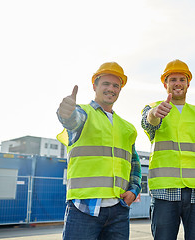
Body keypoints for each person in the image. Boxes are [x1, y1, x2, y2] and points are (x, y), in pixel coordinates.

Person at [56, 62, 141, 240]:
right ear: (95, 86)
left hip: (118, 211)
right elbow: (73, 120)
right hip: (83, 208)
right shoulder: (83, 113)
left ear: (120, 90)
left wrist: (134, 190)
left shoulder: (127, 127)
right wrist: (66, 113)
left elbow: (134, 164)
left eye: (116, 85)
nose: (111, 89)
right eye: (106, 84)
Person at [141, 59, 195, 240]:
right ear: (165, 83)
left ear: (188, 83)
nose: (177, 83)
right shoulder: (154, 108)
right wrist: (154, 114)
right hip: (164, 194)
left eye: (182, 79)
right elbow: (148, 123)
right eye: (173, 79)